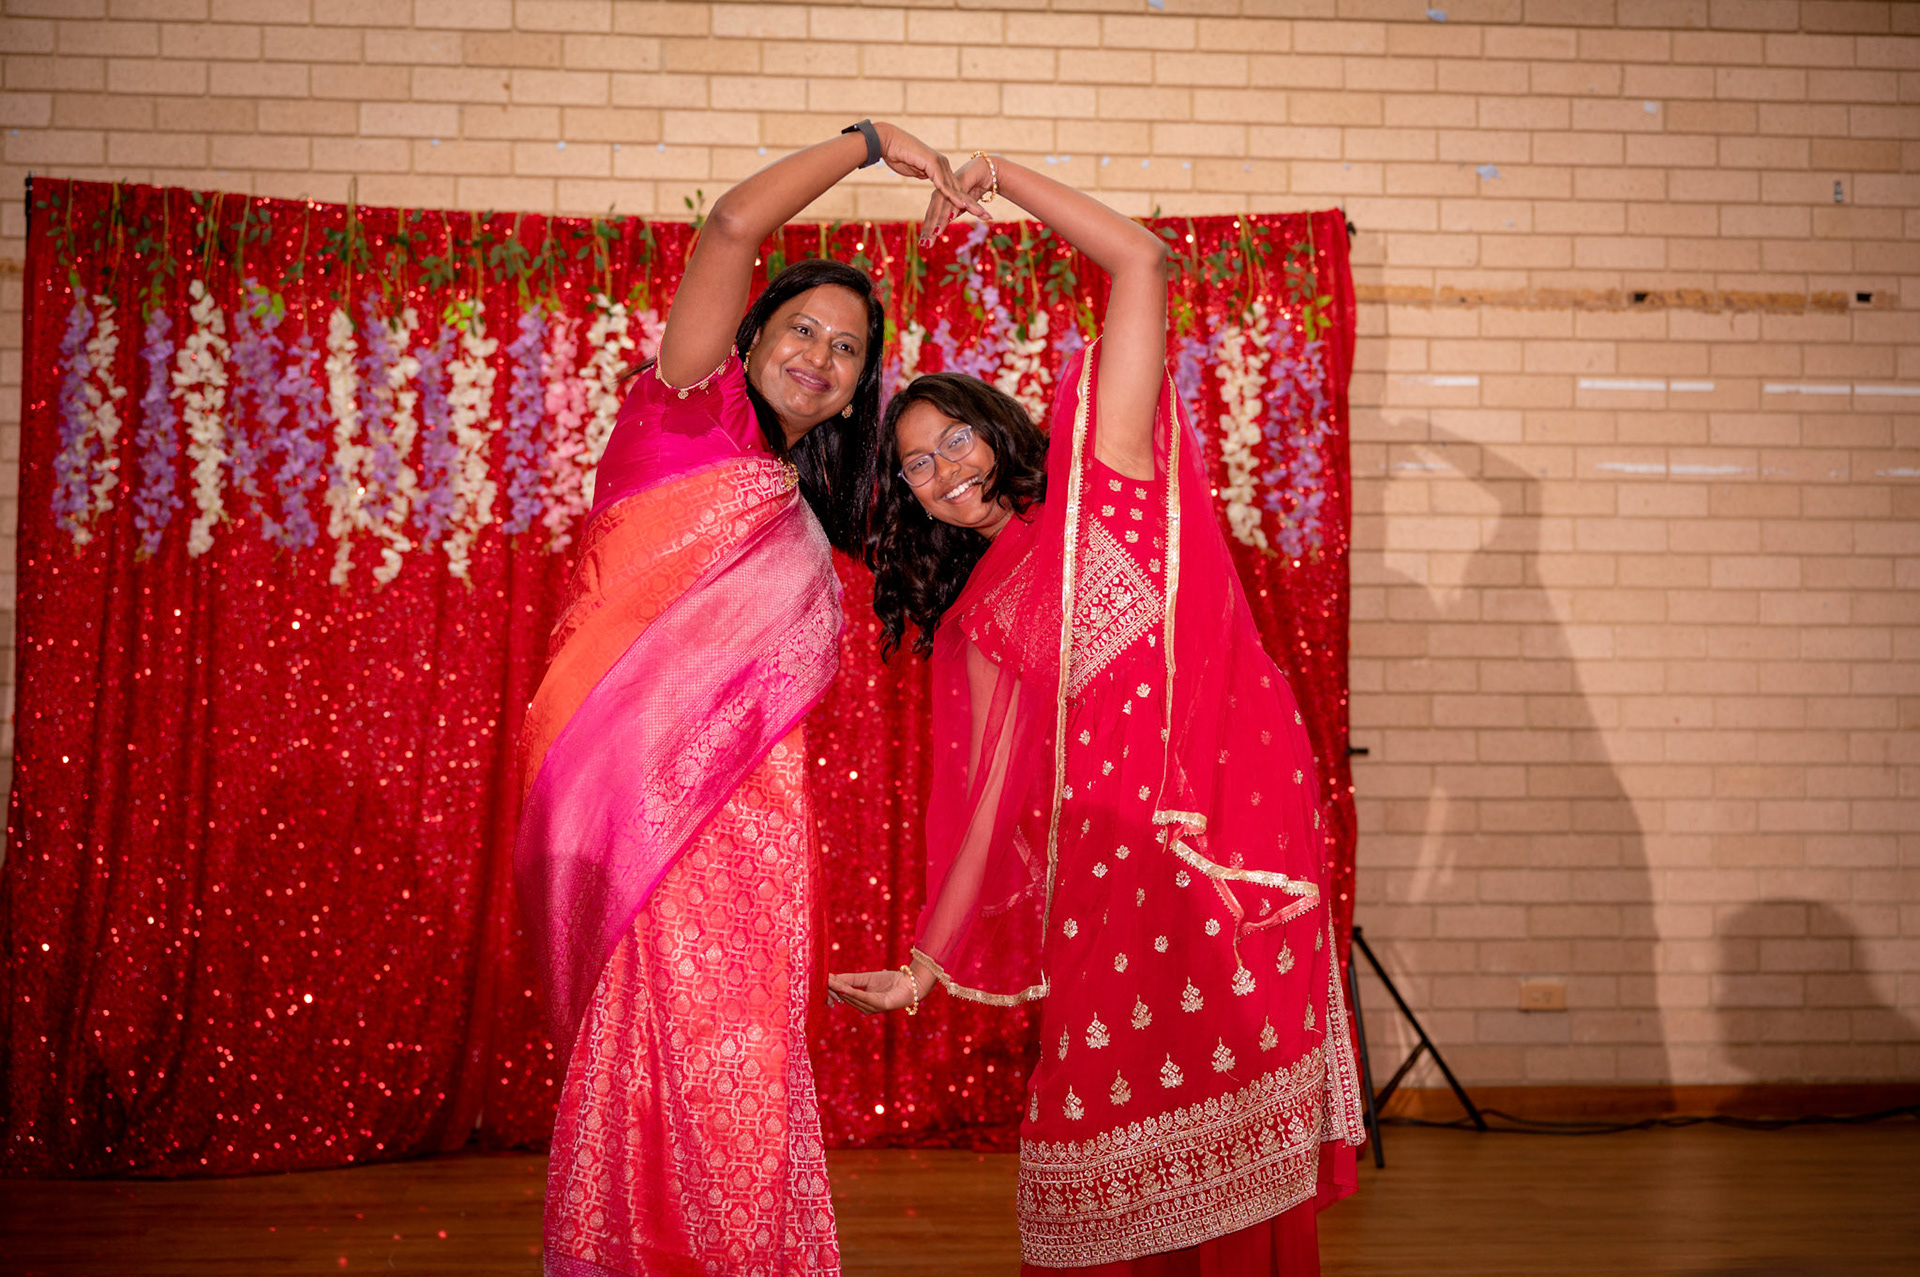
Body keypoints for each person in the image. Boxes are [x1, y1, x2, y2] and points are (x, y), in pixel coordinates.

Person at [830, 154, 1367, 1274]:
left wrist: (998, 175)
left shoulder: (1105, 477)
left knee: (1229, 1091)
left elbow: (1143, 260)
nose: (942, 470)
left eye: (955, 438)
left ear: (997, 427)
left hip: (1226, 837)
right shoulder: (980, 617)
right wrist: (923, 965)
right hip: (1106, 880)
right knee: (1099, 1110)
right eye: (916, 466)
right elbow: (988, 805)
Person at [515, 121, 982, 1277]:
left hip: (756, 831)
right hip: (646, 816)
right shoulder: (683, 403)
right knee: (662, 1045)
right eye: (803, 328)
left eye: (847, 348)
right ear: (752, 333)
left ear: (856, 390)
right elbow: (731, 223)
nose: (820, 354)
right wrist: (869, 141)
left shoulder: (804, 504)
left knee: (742, 1054)